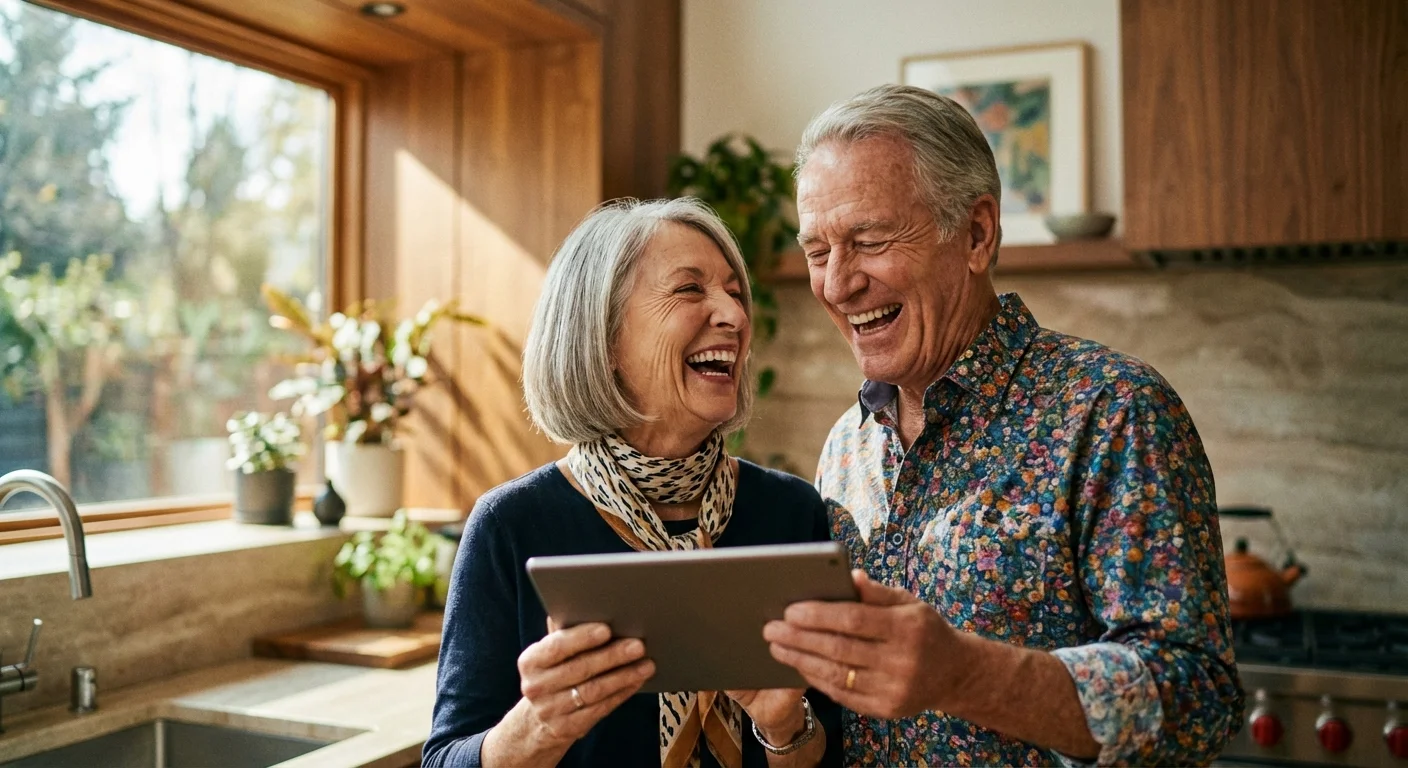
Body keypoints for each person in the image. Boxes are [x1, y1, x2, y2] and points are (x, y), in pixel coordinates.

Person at [761, 84, 1244, 766]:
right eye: (817, 252)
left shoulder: (1112, 410)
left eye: (868, 241)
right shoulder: (847, 444)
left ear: (977, 234)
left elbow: (1200, 701)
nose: (837, 285)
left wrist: (965, 675)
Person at [423, 198, 842, 768]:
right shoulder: (510, 525)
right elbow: (444, 758)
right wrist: (537, 728)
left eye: (734, 292)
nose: (735, 317)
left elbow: (834, 752)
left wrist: (784, 725)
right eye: (691, 290)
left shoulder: (791, 513)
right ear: (605, 337)